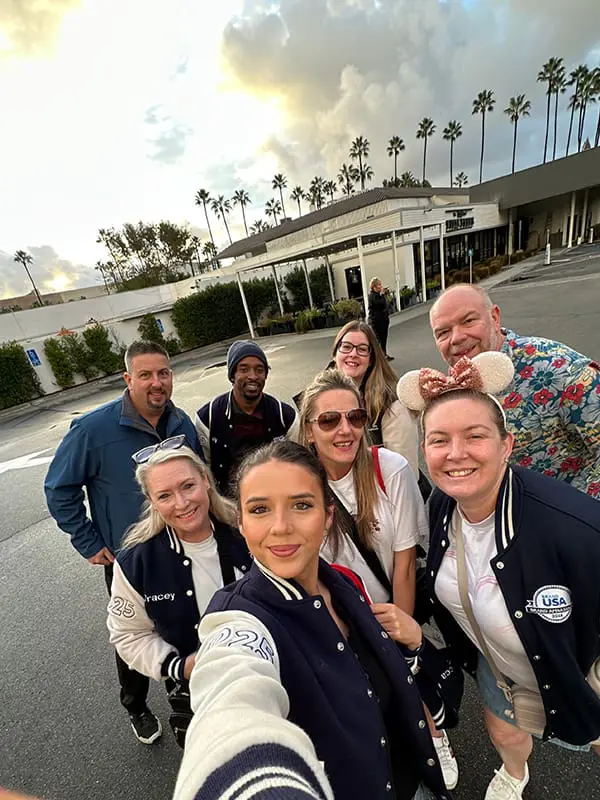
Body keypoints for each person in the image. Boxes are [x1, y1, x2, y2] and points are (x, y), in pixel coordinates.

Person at [192, 440, 456, 800]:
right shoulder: (240, 619)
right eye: (259, 509)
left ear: (328, 514)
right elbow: (232, 696)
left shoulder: (344, 582)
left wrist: (411, 644)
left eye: (301, 505)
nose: (281, 527)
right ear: (239, 522)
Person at [397, 352, 600, 800]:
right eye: (438, 440)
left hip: (571, 669)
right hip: (497, 663)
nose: (455, 454)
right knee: (504, 728)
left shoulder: (577, 526)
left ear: (506, 444)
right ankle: (515, 771)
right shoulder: (443, 505)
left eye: (475, 436)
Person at [298, 369, 459, 790]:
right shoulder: (299, 485)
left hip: (391, 606)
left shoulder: (391, 469)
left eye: (354, 417)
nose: (345, 429)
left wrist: (402, 632)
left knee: (407, 680)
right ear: (309, 430)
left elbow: (405, 561)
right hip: (339, 620)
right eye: (329, 420)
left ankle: (432, 733)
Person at [45, 340, 203, 745]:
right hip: (128, 558)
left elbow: (200, 481)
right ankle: (135, 704)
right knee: (134, 634)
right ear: (128, 379)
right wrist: (88, 541)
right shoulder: (92, 430)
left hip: (181, 548)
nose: (157, 382)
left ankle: (180, 691)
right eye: (146, 375)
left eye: (163, 373)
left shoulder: (181, 423)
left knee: (182, 624)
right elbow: (59, 488)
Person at [107, 444, 251, 746]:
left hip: (276, 679)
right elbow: (127, 635)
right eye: (165, 495)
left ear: (205, 480)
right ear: (151, 501)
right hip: (202, 700)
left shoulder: (249, 530)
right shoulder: (136, 562)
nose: (182, 503)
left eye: (188, 486)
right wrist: (180, 666)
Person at [429, 283, 600, 497]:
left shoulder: (559, 369)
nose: (456, 337)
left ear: (495, 317)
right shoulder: (455, 384)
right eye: (443, 332)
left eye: (468, 321)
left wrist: (582, 516)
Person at [196, 340, 298, 495]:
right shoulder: (208, 417)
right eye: (244, 369)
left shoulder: (285, 416)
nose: (253, 376)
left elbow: (299, 463)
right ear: (232, 375)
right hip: (229, 503)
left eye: (259, 370)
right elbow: (205, 469)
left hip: (276, 494)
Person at [331, 320, 419, 475]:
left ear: (371, 359)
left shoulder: (393, 405)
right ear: (335, 353)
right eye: (346, 347)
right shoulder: (318, 399)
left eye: (362, 349)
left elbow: (404, 472)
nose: (353, 354)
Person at [368, 276, 393, 360]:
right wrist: (382, 295)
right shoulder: (372, 296)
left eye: (380, 284)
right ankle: (377, 357)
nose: (381, 286)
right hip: (376, 322)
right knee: (378, 339)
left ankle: (384, 354)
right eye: (379, 285)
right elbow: (379, 303)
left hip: (384, 320)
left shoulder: (379, 295)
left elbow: (385, 305)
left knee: (384, 338)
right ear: (374, 287)